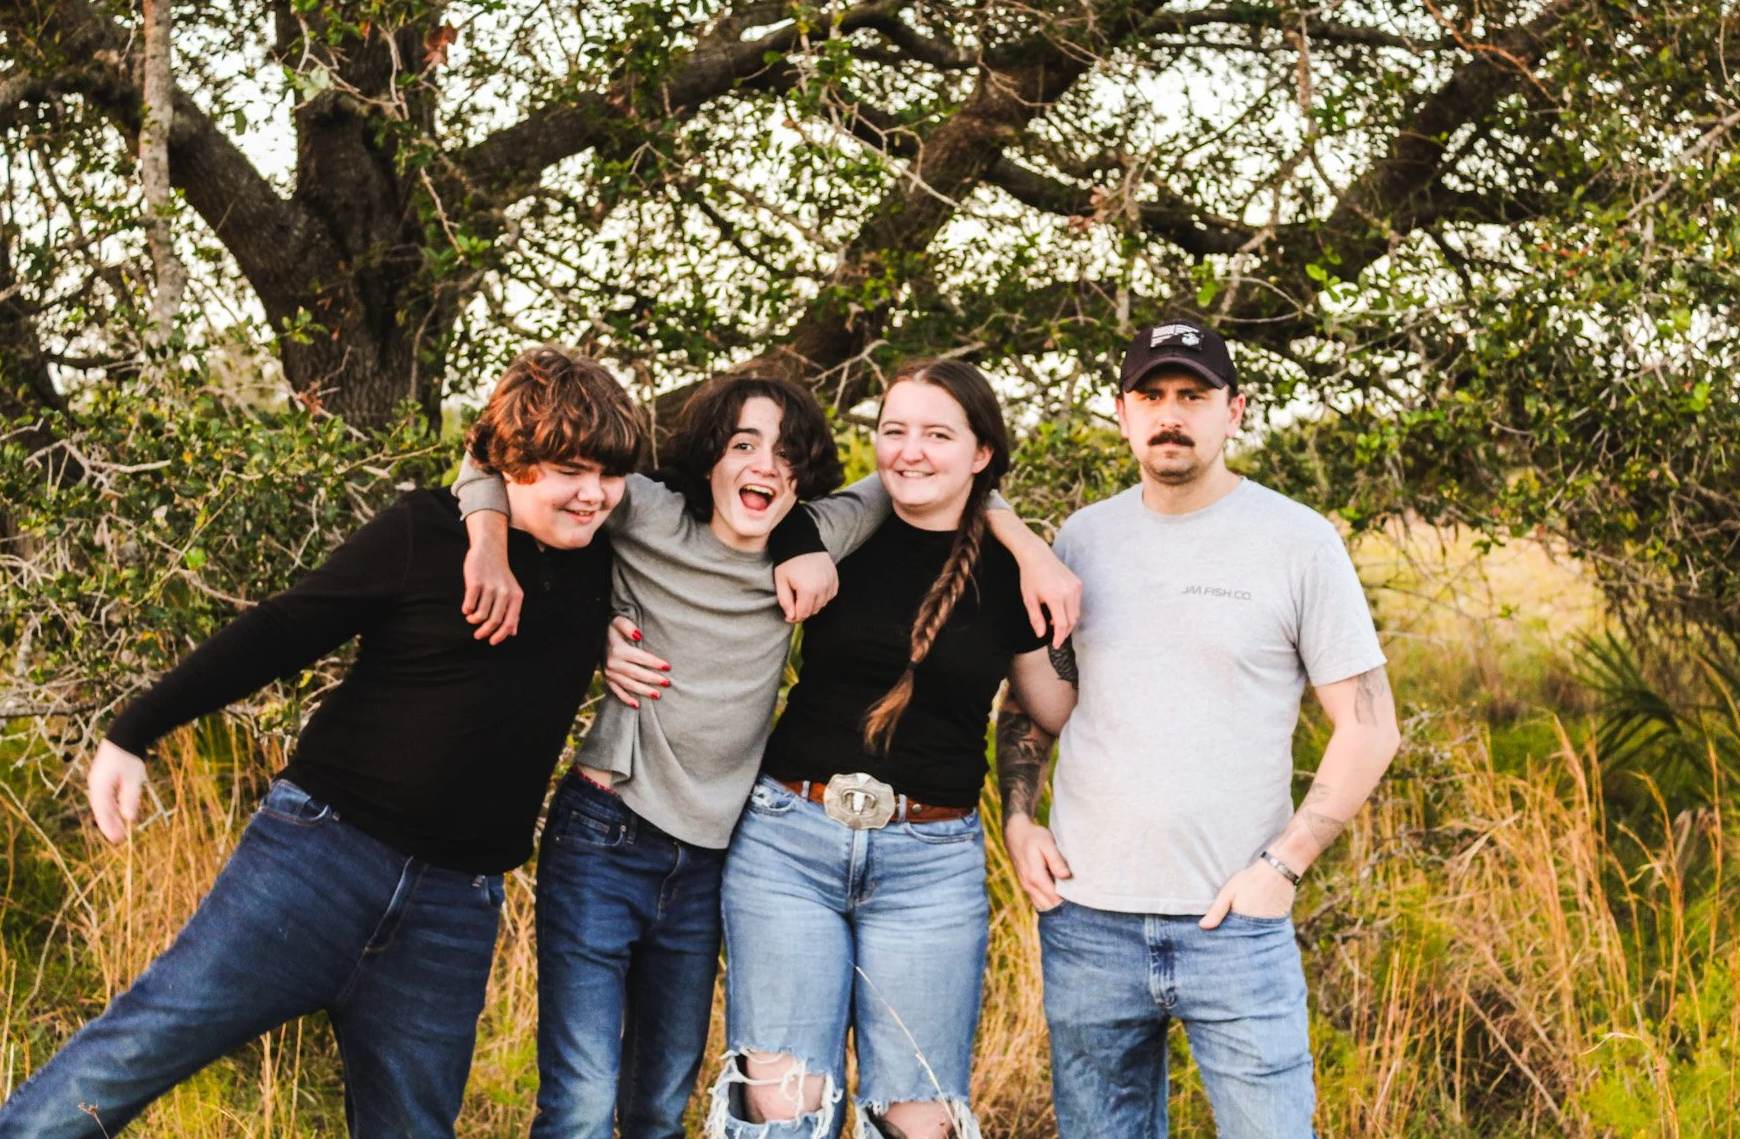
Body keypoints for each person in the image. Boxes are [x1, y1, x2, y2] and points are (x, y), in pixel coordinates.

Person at [0, 345, 645, 1138]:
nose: (595, 493)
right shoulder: (426, 532)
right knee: (132, 1052)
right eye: (572, 470)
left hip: (454, 908)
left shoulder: (607, 552)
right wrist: (136, 729)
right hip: (317, 861)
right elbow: (282, 629)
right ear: (515, 461)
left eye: (609, 474)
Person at [449, 372, 1076, 1139]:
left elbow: (942, 487)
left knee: (709, 1105)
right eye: (742, 443)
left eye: (785, 452)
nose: (764, 466)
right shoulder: (719, 517)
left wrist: (1030, 546)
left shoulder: (860, 533)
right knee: (673, 1101)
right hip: (697, 830)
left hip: (819, 852)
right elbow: (516, 471)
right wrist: (563, 608)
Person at [999, 320, 1403, 1139]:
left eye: (1193, 395)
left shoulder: (1297, 542)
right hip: (1087, 920)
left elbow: (1369, 727)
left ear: (1235, 410)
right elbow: (1038, 705)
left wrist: (1282, 868)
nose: (1170, 414)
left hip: (1237, 925)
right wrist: (1017, 817)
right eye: (1151, 395)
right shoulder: (1083, 537)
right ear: (1122, 413)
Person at [688, 359, 1078, 1139]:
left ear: (981, 454)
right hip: (789, 841)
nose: (910, 451)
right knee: (781, 1106)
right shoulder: (831, 530)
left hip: (930, 862)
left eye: (938, 434)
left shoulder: (1014, 573)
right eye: (894, 430)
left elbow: (1050, 710)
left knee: (918, 1115)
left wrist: (1039, 560)